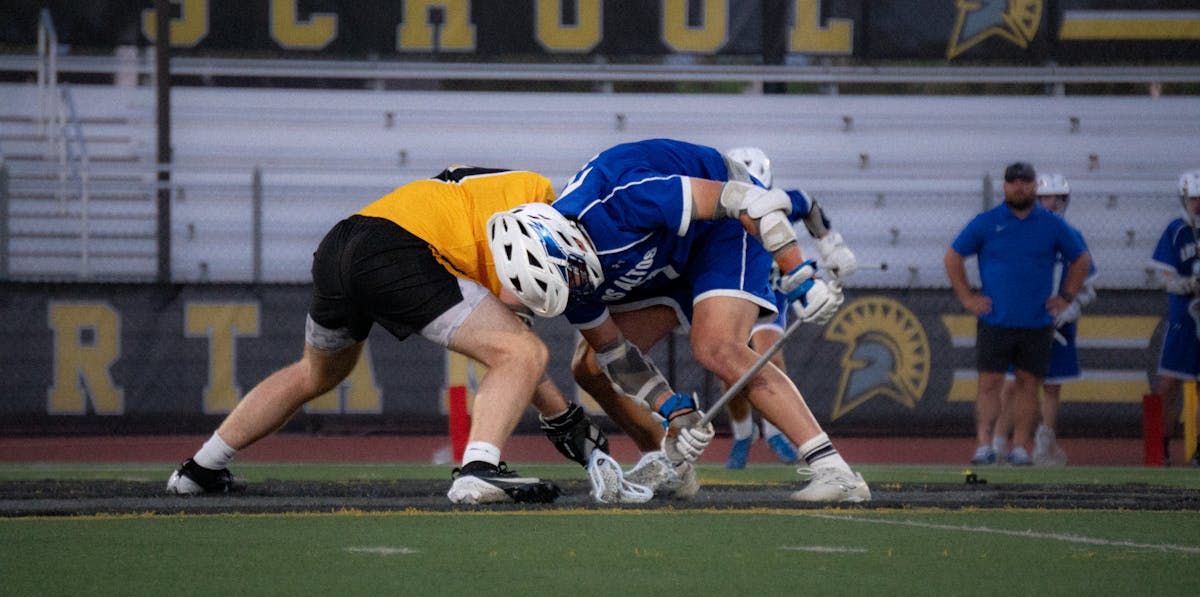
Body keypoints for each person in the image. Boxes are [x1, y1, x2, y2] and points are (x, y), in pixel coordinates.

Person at [166, 167, 613, 504]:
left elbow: (513, 345)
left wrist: (559, 414)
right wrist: (561, 414)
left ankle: (200, 469)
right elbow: (517, 349)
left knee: (314, 374)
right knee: (520, 349)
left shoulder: (481, 211)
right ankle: (479, 467)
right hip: (397, 249)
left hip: (340, 245)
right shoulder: (536, 198)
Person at [488, 138, 870, 502]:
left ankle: (833, 470)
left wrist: (800, 275)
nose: (576, 288)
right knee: (590, 367)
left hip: (724, 225)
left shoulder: (620, 198)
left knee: (717, 347)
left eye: (570, 278)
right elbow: (614, 352)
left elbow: (749, 201)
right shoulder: (564, 276)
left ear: (564, 240)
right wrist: (675, 410)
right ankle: (667, 460)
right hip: (666, 254)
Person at [944, 161, 1091, 466]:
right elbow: (953, 256)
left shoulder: (1051, 224)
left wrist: (1065, 297)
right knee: (989, 383)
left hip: (1036, 321)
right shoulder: (987, 222)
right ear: (1005, 186)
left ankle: (1021, 446)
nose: (1019, 187)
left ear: (1034, 186)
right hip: (995, 319)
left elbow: (1081, 259)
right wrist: (968, 297)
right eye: (1013, 182)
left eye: (1025, 181)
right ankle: (984, 444)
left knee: (1028, 384)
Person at [722, 147, 857, 469]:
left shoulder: (780, 201)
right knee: (727, 368)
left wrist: (828, 244)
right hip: (734, 293)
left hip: (770, 292)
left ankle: (773, 431)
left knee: (770, 357)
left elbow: (809, 205)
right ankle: (743, 434)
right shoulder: (719, 207)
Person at [994, 173, 1098, 466]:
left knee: (1052, 385)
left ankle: (1044, 441)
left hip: (1059, 323)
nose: (1045, 203)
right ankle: (999, 443)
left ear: (1063, 201)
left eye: (1051, 198)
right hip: (1025, 322)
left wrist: (1070, 307)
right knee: (1014, 383)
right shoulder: (1020, 234)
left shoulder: (1072, 236)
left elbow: (1087, 286)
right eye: (1040, 198)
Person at [1148, 169, 1200, 466]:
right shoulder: (1177, 229)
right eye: (1193, 199)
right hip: (1183, 317)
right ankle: (1161, 448)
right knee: (1168, 384)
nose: (1197, 205)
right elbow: (1164, 274)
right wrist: (1185, 284)